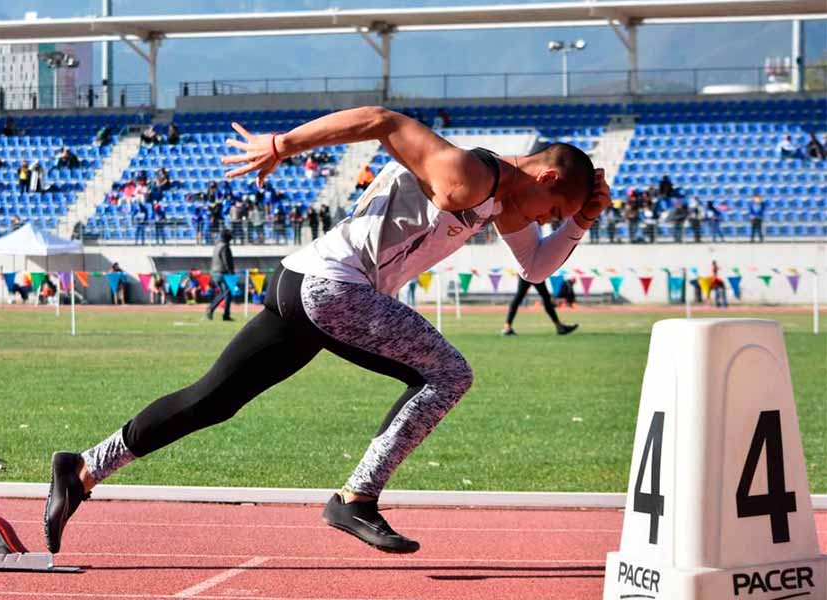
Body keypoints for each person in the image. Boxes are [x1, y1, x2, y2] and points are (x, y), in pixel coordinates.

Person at [43, 106, 608, 556]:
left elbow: (534, 267)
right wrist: (281, 145)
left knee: (213, 400)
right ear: (547, 176)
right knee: (448, 374)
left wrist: (580, 222)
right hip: (334, 288)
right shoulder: (469, 173)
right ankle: (357, 498)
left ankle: (85, 468)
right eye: (552, 211)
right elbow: (383, 121)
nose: (541, 222)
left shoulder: (503, 198)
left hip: (302, 281)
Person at [501, 277, 578, 336]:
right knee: (545, 298)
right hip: (534, 273)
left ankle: (507, 326)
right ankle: (559, 327)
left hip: (527, 271)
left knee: (519, 297)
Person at [205, 229, 235, 321]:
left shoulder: (217, 245)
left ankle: (225, 315)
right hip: (222, 273)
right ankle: (212, 308)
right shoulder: (224, 247)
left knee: (226, 293)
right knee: (225, 293)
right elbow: (226, 261)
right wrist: (231, 272)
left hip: (215, 272)